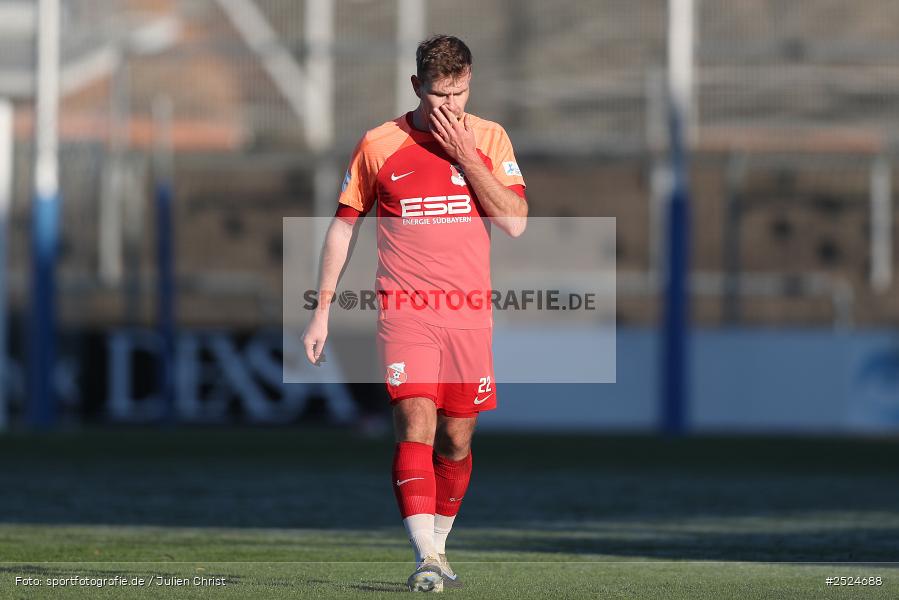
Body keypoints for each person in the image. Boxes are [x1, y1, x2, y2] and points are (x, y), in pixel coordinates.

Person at [302, 34, 527, 592]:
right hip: (405, 311)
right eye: (439, 95)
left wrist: (466, 157)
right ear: (416, 87)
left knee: (456, 440)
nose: (451, 107)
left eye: (460, 93)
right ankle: (424, 554)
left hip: (469, 315)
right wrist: (321, 309)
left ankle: (441, 547)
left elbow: (515, 219)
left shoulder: (490, 138)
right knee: (415, 423)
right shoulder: (379, 144)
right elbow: (343, 226)